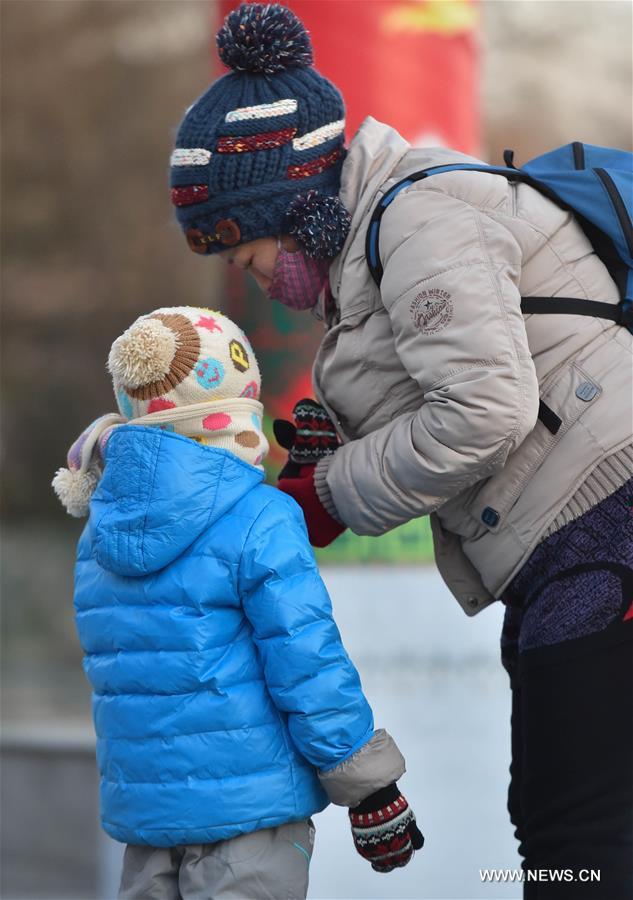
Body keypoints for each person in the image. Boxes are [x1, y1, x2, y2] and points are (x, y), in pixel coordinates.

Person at [169, 4, 633, 898]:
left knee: (575, 838)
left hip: (603, 530)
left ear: (290, 197)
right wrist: (337, 448)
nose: (244, 267)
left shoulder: (419, 214)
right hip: (572, 542)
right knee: (559, 826)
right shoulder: (375, 251)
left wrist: (334, 489)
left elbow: (484, 412)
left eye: (240, 238)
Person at [52, 306, 423, 900]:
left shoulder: (99, 535)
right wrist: (369, 787)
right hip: (252, 816)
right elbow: (307, 661)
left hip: (147, 817)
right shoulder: (260, 519)